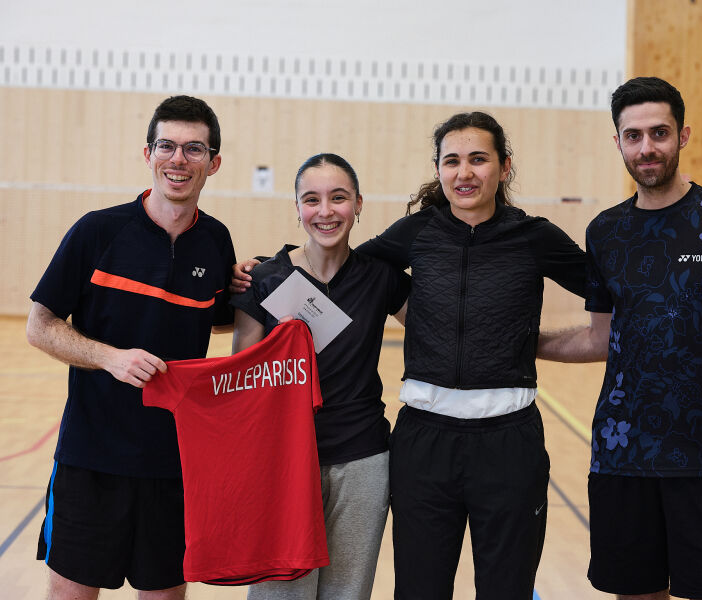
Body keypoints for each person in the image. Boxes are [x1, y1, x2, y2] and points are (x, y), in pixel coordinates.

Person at [538, 76, 702, 600]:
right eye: (633, 136)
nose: (646, 148)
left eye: (659, 132)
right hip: (621, 455)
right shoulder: (605, 232)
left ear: (683, 135)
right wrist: (524, 342)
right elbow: (600, 339)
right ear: (617, 142)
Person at [357, 112, 586, 599]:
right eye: (452, 161)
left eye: (478, 159)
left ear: (504, 167)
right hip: (423, 444)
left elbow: (610, 293)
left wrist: (525, 340)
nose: (464, 173)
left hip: (509, 445)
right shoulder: (416, 232)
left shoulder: (535, 236)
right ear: (438, 169)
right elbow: (350, 271)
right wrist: (268, 271)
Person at [26, 95, 236, 600]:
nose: (178, 159)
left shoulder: (216, 241)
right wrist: (109, 357)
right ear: (148, 154)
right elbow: (40, 325)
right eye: (167, 146)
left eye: (194, 148)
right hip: (90, 458)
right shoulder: (97, 231)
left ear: (213, 163)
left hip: (175, 463)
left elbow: (221, 318)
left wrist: (254, 284)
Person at [230, 153, 410, 600]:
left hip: (362, 459)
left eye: (339, 197)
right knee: (280, 593)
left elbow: (440, 330)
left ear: (359, 204)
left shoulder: (381, 277)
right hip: (284, 461)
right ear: (297, 207)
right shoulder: (264, 279)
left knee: (347, 592)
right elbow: (242, 382)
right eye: (311, 199)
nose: (325, 211)